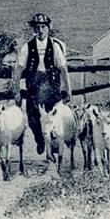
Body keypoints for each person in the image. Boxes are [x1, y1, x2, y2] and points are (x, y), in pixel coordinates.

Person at [11, 13, 72, 156]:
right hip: (34, 85)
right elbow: (18, 69)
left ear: (48, 28)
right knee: (33, 118)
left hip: (51, 85)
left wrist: (68, 90)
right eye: (37, 27)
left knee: (54, 115)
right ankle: (40, 140)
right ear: (33, 29)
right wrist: (17, 90)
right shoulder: (27, 47)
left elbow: (63, 68)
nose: (40, 30)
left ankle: (54, 143)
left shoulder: (55, 46)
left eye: (43, 27)